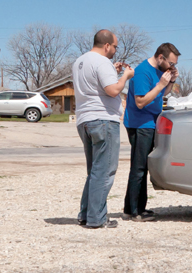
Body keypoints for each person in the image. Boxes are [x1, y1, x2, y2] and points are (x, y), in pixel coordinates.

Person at [72, 28, 133, 229]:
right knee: (105, 171)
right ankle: (96, 218)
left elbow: (95, 86)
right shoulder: (102, 62)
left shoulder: (79, 61)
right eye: (115, 46)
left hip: (85, 120)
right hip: (103, 120)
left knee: (94, 171)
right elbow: (112, 89)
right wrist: (125, 76)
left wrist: (112, 73)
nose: (115, 50)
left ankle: (85, 214)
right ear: (106, 45)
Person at [122, 42, 180, 220]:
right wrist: (161, 84)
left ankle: (139, 207)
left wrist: (170, 81)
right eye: (171, 63)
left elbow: (162, 94)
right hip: (140, 124)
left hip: (151, 122)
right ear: (160, 57)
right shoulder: (142, 72)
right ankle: (133, 211)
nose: (173, 66)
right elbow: (140, 102)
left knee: (145, 167)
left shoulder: (159, 71)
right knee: (139, 167)